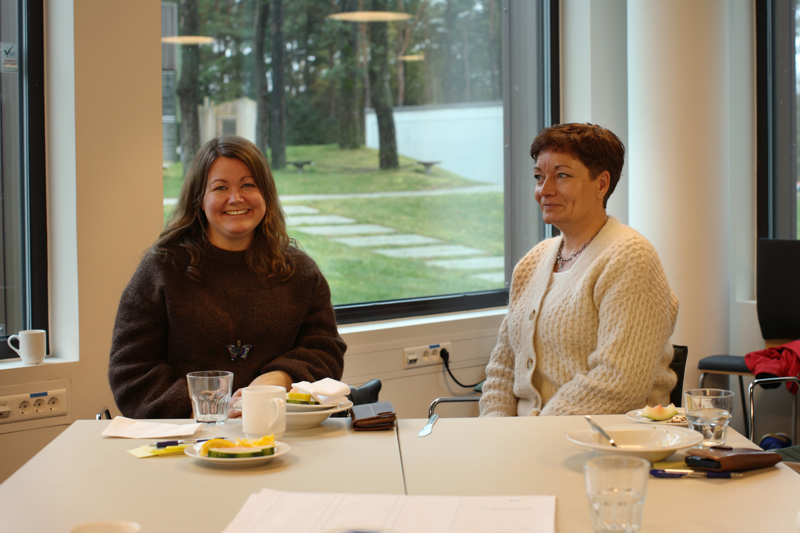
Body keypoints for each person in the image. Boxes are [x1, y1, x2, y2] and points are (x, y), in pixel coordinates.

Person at [109, 135, 346, 419]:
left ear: (266, 195)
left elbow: (324, 350)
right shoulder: (161, 269)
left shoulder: (300, 271)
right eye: (220, 187)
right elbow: (131, 370)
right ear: (199, 199)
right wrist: (206, 409)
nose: (236, 198)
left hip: (278, 429)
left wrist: (279, 378)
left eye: (248, 185)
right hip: (188, 435)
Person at [479, 123, 678, 417]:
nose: (544, 190)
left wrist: (530, 435)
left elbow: (618, 383)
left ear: (602, 184)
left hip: (604, 438)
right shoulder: (532, 263)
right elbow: (503, 367)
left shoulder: (630, 258)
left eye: (562, 175)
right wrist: (495, 426)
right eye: (539, 177)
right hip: (526, 437)